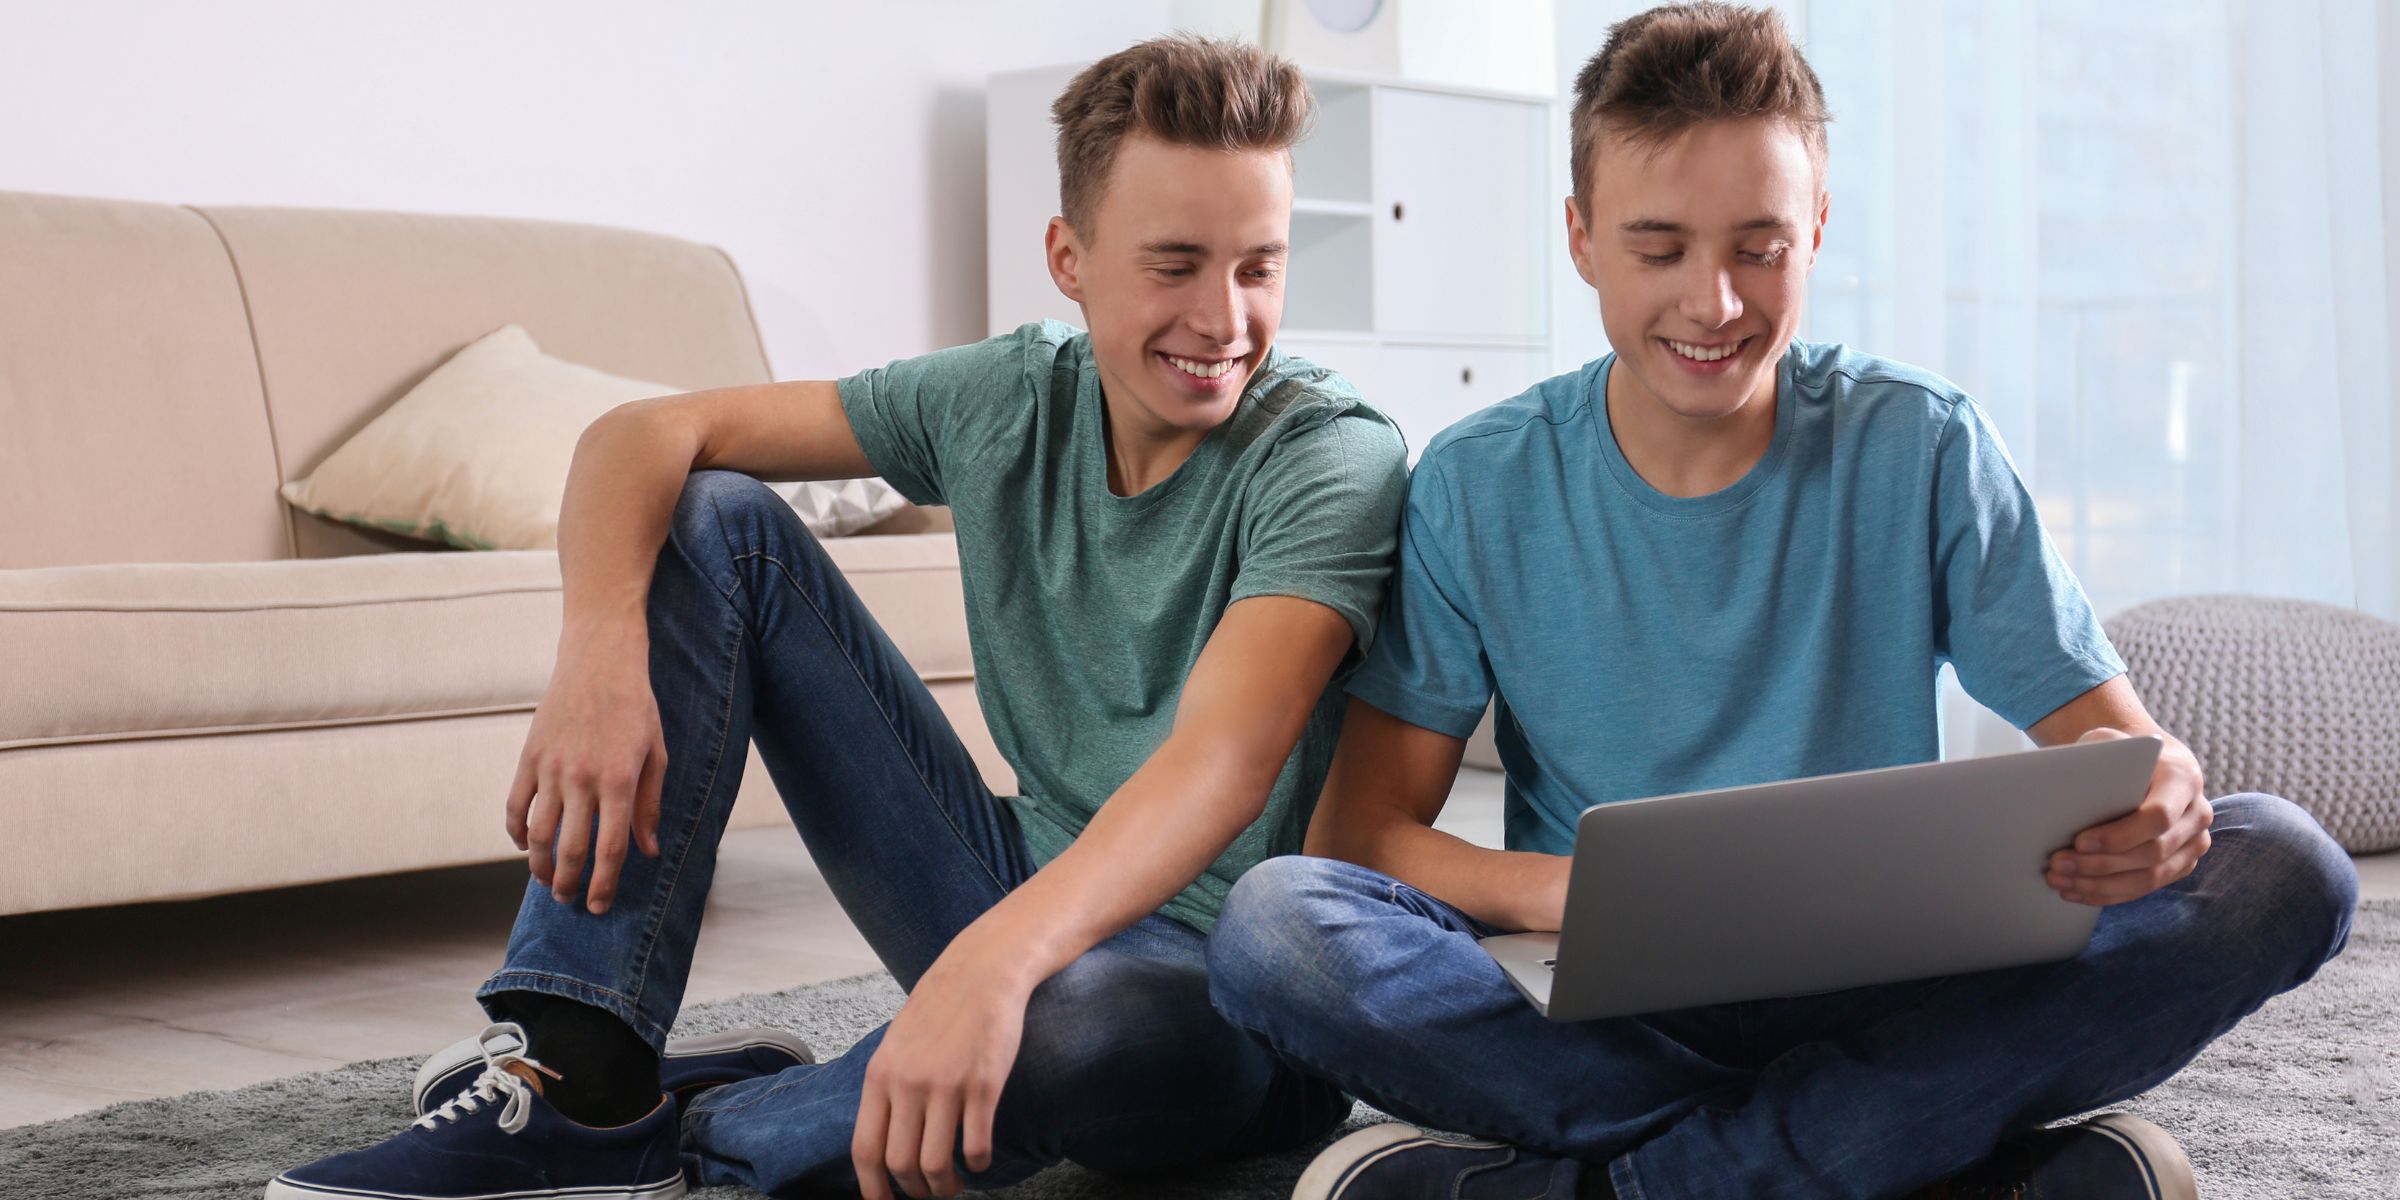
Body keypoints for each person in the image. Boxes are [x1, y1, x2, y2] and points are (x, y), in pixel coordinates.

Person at [1202, 5, 2360, 1198]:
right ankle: (1913, 1149)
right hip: (1603, 997)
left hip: (1893, 983)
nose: (1714, 302)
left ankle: (1642, 1181)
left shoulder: (1922, 443)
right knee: (1278, 926)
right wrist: (1575, 892)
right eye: (1660, 249)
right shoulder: (1477, 480)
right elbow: (1362, 837)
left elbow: (2118, 742)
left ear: (1817, 229)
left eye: (1760, 246)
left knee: (2284, 864)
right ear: (1582, 239)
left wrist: (2159, 786)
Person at [267, 34, 1408, 1200]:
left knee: (1080, 1030)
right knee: (717, 520)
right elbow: (643, 435)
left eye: (1259, 267)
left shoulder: (1329, 458)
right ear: (1069, 257)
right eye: (1175, 265)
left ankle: (699, 1139)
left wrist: (995, 964)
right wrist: (597, 660)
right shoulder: (1011, 395)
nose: (1223, 319)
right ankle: (582, 1064)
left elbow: (1220, 769)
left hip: (1221, 1001)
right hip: (1013, 885)